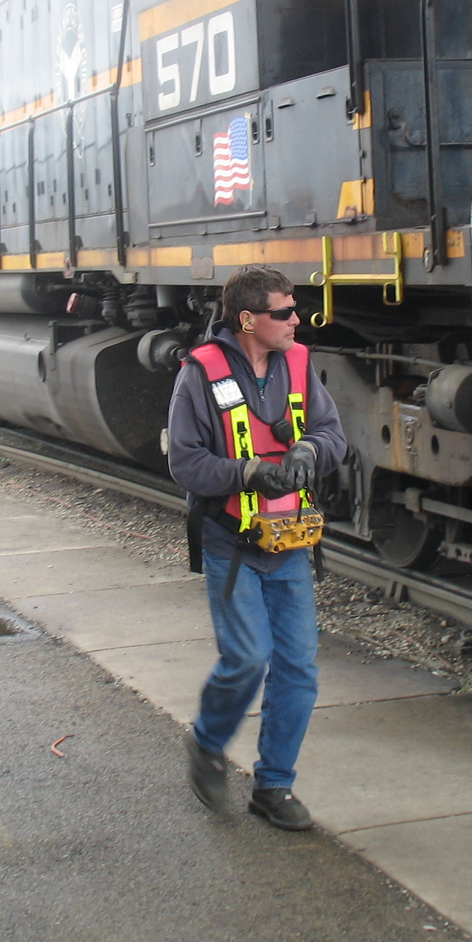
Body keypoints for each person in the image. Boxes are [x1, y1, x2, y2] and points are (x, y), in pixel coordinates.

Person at [166, 265, 345, 830]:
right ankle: (208, 743)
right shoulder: (200, 372)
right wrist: (247, 474)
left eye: (295, 309)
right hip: (232, 545)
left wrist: (309, 455)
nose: (297, 320)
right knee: (247, 658)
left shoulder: (298, 363)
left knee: (297, 669)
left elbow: (332, 433)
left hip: (288, 543)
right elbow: (184, 461)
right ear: (248, 320)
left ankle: (273, 787)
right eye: (283, 312)